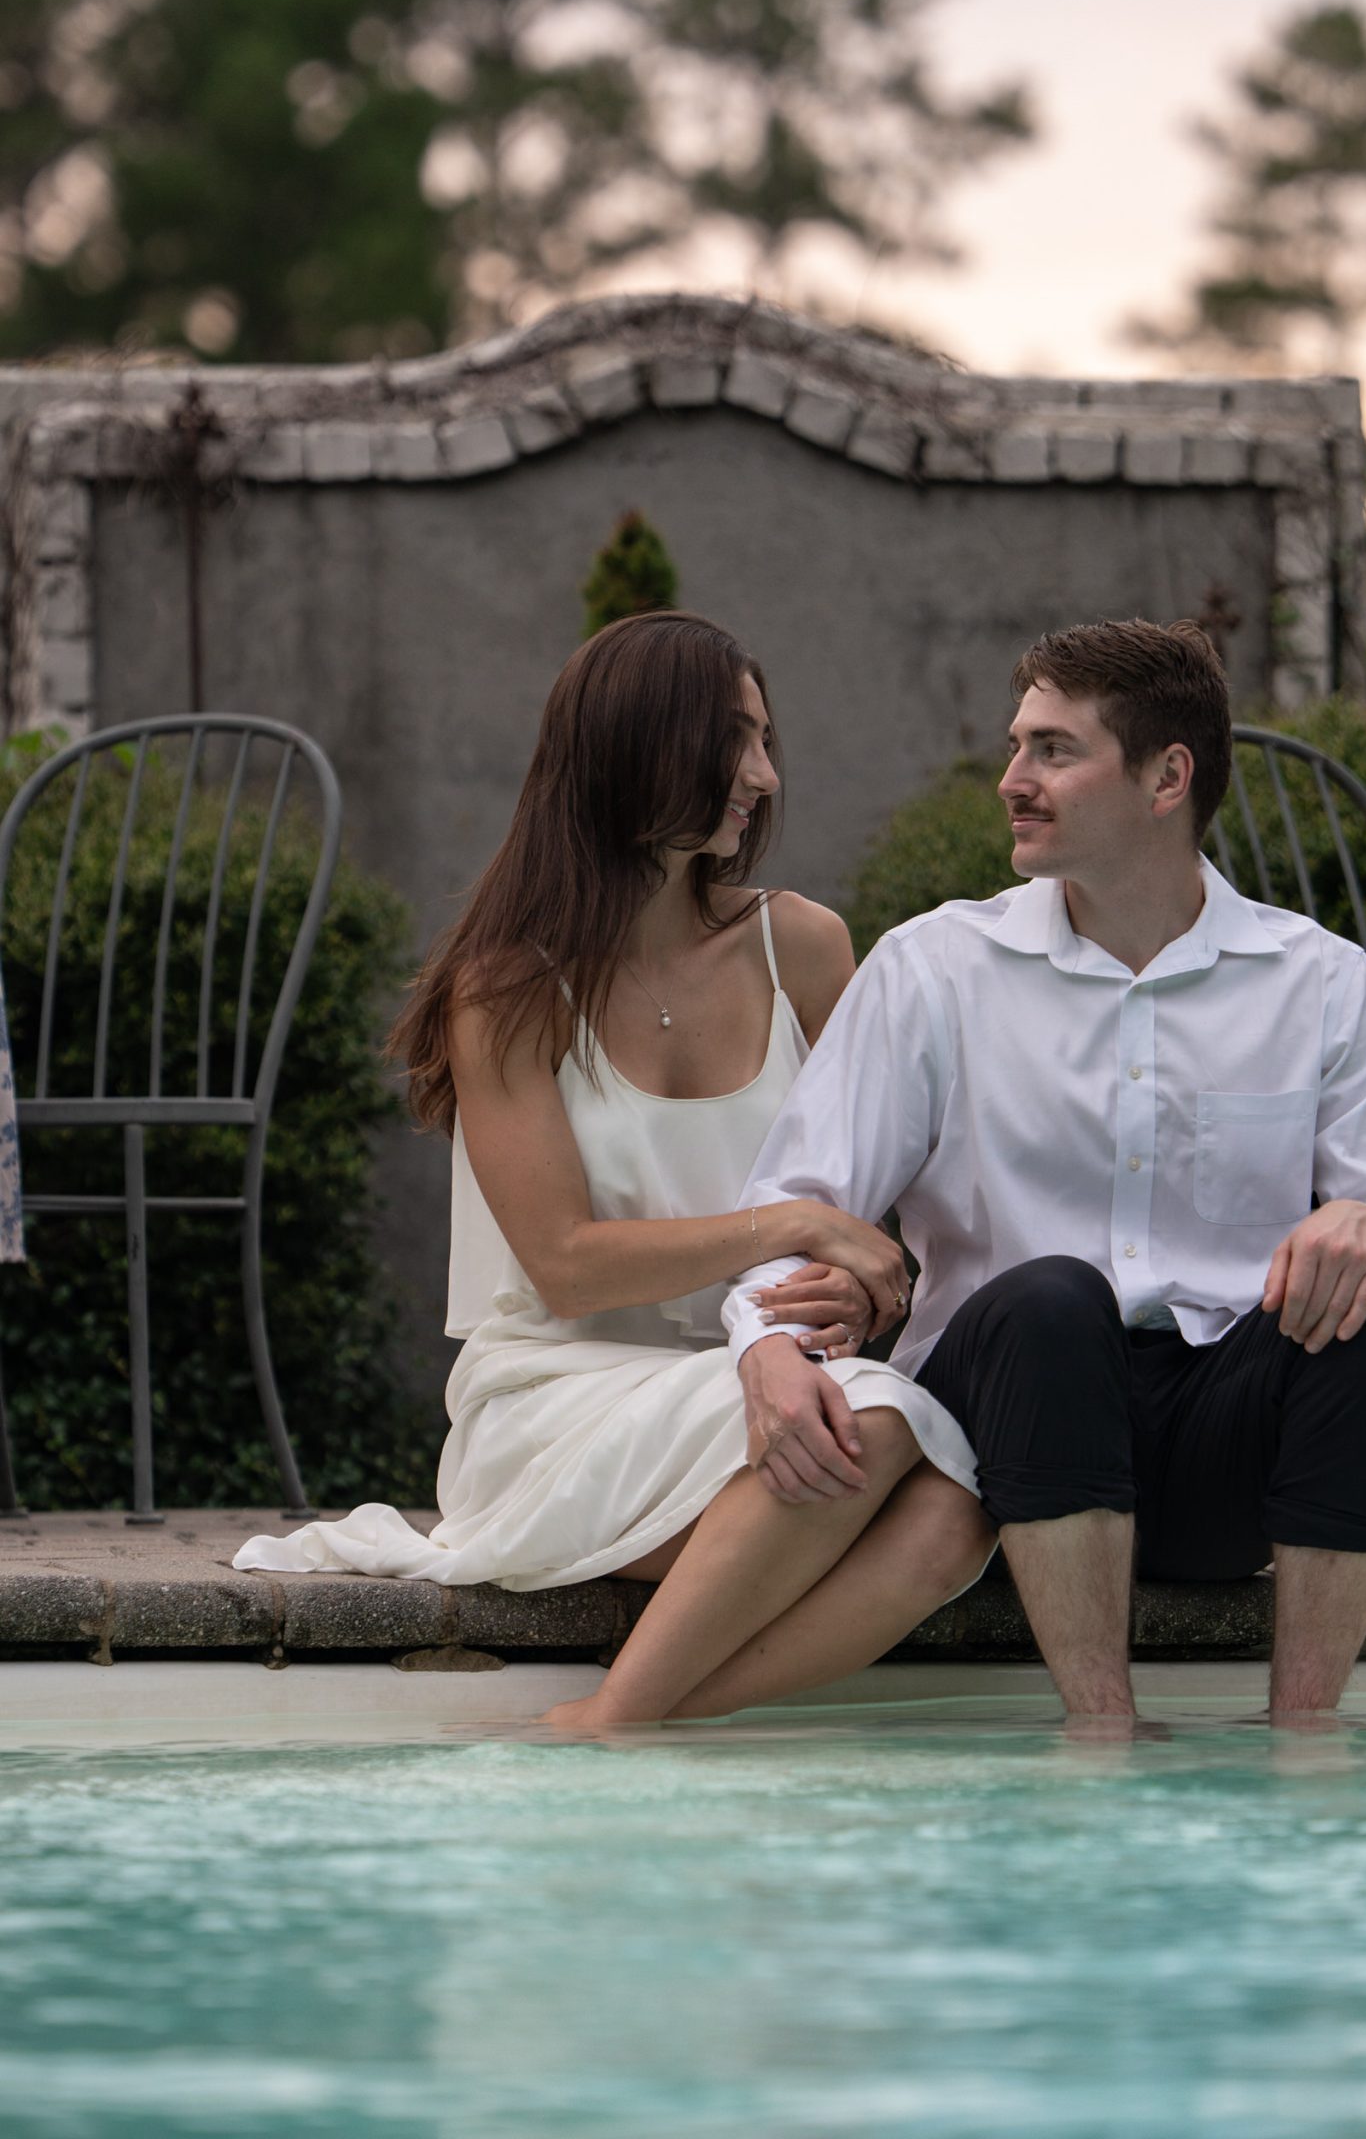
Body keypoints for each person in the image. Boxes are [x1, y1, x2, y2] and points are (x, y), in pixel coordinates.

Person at [234, 612, 992, 1724]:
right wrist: (794, 1229)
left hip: (766, 1377)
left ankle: (625, 1722)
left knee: (956, 1513)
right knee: (871, 1427)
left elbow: (886, 1208)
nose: (765, 774)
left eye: (765, 739)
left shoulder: (804, 947)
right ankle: (624, 1721)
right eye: (735, 740)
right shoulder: (506, 987)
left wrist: (854, 1281)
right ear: (642, 745)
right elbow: (567, 1265)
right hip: (558, 1399)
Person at [723, 615, 1366, 1730]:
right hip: (1000, 1434)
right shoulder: (936, 968)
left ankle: (1305, 1741)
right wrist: (768, 1349)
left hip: (1218, 1452)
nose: (1012, 780)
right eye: (1016, 746)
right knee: (1054, 1296)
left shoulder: (1317, 979)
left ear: (1167, 778)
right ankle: (1101, 1730)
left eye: (1054, 750)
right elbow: (799, 1205)